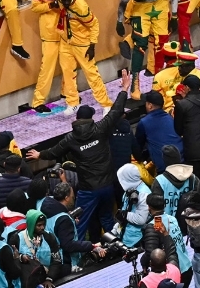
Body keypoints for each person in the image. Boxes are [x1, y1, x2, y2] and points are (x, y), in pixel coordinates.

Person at [27, 75, 130, 240]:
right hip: (107, 185)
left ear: (76, 119)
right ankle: (116, 247)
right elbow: (116, 110)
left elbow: (54, 152)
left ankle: (77, 257)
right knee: (107, 218)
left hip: (88, 189)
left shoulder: (71, 139)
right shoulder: (100, 129)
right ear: (90, 118)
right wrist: (124, 89)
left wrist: (39, 154)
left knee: (80, 222)